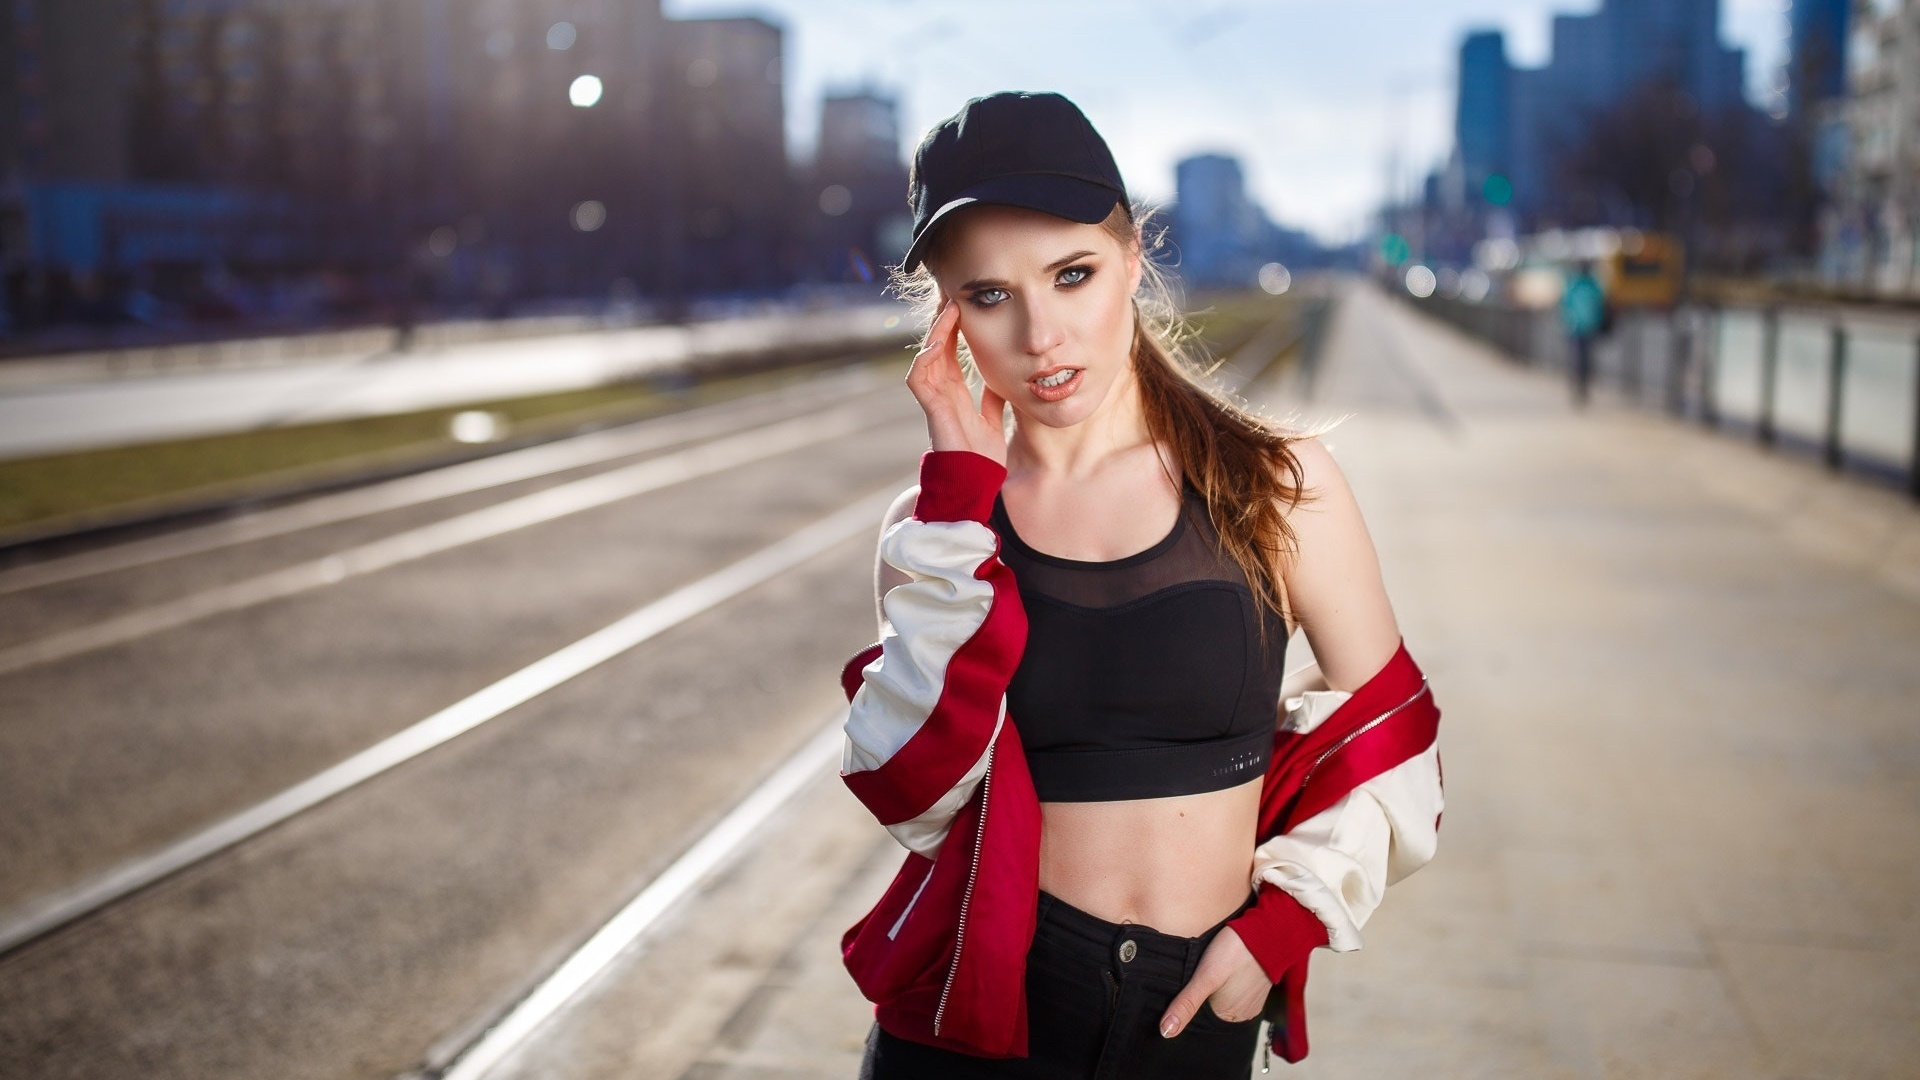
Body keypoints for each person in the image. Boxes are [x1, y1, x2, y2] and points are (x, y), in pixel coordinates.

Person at [837, 91, 1444, 1079]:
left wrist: (1279, 933)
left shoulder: (1275, 485)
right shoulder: (939, 532)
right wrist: (960, 495)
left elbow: (1395, 739)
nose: (1041, 334)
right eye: (989, 295)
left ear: (1131, 259)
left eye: (1071, 274)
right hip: (979, 1030)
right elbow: (912, 792)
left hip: (1192, 1021)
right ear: (944, 320)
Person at [1561, 259, 1607, 407]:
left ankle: (1580, 385)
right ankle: (1581, 385)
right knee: (1584, 358)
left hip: (1578, 327)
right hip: (1585, 327)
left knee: (1579, 358)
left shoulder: (1575, 285)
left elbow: (1566, 305)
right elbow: (1599, 306)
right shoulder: (1593, 286)